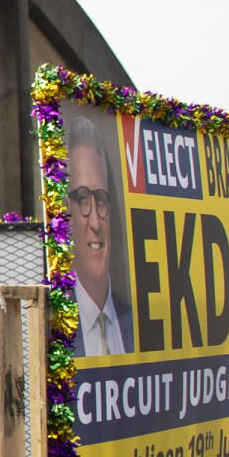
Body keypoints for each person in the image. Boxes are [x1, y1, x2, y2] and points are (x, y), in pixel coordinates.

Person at [66, 114, 134, 356]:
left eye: (101, 200)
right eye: (83, 198)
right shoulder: (55, 327)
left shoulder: (136, 324)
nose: (95, 222)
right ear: (66, 211)